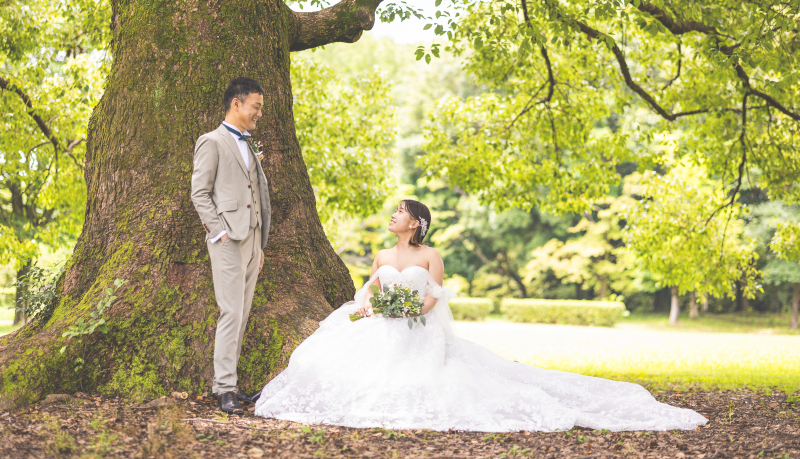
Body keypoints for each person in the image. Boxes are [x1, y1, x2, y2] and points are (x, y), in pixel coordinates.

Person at [253, 200, 707, 432]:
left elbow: (434, 299)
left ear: (416, 223)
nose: (393, 216)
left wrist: (408, 309)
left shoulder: (431, 255)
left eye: (401, 213)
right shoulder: (378, 253)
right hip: (379, 326)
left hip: (414, 328)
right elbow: (368, 288)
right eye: (394, 212)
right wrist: (372, 305)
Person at [191, 77, 271, 415]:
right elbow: (199, 193)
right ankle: (223, 388)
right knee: (231, 312)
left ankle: (233, 384)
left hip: (253, 239)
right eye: (256, 106)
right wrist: (219, 233)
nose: (259, 114)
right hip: (227, 240)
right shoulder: (211, 141)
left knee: (243, 314)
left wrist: (260, 244)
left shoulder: (248, 144)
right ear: (236, 104)